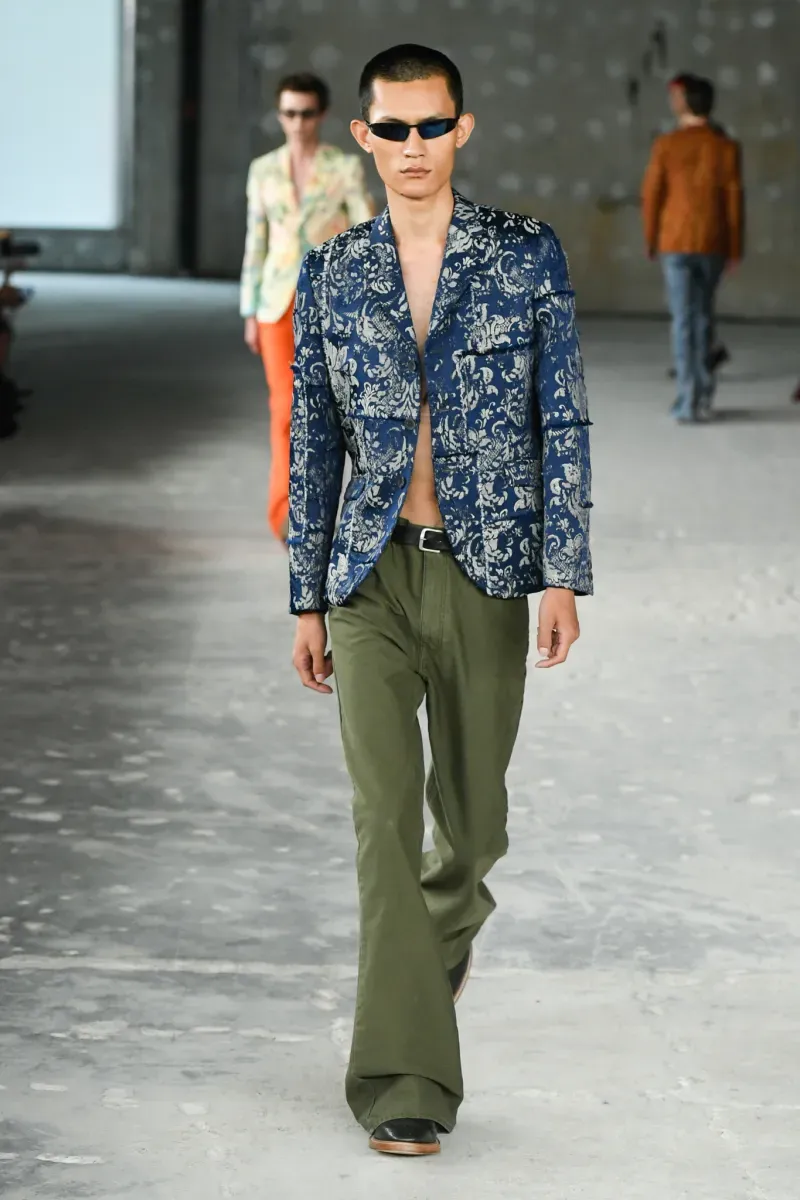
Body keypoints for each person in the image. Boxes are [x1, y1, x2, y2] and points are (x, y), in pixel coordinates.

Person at [288, 44, 592, 1156]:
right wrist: (306, 598)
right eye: (392, 128)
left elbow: (561, 416)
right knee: (382, 824)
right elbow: (313, 440)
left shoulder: (524, 254)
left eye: (431, 126)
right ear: (364, 136)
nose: (411, 146)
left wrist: (562, 569)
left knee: (470, 829)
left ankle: (437, 942)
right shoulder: (333, 270)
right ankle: (402, 1081)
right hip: (367, 577)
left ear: (460, 129)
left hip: (483, 569)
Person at [239, 72, 373, 542]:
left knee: (329, 412)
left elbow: (366, 235)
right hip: (276, 303)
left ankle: (325, 512)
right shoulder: (263, 170)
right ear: (280, 116)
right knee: (285, 408)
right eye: (290, 113)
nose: (298, 123)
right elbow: (256, 242)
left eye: (307, 113)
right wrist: (249, 310)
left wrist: (367, 302)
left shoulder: (344, 167)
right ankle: (286, 516)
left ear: (322, 114)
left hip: (330, 303)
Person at [643, 75, 743, 422]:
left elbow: (652, 195)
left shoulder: (667, 144)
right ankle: (703, 395)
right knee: (703, 317)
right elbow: (734, 202)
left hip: (675, 241)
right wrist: (735, 247)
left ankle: (688, 399)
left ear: (684, 103)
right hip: (713, 242)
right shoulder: (726, 147)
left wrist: (650, 237)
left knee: (683, 320)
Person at [665, 73, 733, 376]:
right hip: (700, 237)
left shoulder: (683, 142)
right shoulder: (715, 142)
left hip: (686, 237)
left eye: (677, 96)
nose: (673, 101)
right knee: (697, 309)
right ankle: (698, 368)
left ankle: (692, 374)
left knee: (689, 311)